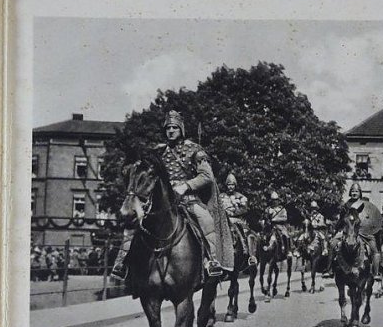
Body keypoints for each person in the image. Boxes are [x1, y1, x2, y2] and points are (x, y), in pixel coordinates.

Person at [112, 110, 234, 279]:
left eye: (174, 127)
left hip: (188, 199)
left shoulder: (195, 150)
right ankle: (122, 262)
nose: (170, 131)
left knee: (206, 219)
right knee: (133, 222)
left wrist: (186, 186)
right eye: (168, 127)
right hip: (161, 201)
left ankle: (212, 260)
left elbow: (207, 176)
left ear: (181, 129)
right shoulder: (158, 151)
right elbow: (142, 169)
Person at [219, 173, 257, 266]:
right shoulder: (221, 196)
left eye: (232, 185)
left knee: (246, 233)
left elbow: (244, 209)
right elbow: (217, 208)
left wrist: (233, 212)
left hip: (237, 220)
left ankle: (250, 255)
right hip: (224, 220)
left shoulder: (241, 197)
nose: (230, 187)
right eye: (228, 184)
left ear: (235, 185)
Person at [264, 191, 292, 258]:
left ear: (278, 201)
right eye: (273, 200)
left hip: (280, 226)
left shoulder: (282, 209)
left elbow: (285, 218)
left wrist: (275, 219)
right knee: (265, 235)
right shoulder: (268, 209)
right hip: (271, 226)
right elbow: (265, 216)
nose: (275, 202)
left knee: (286, 235)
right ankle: (265, 247)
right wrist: (267, 219)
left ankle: (288, 251)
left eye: (276, 200)